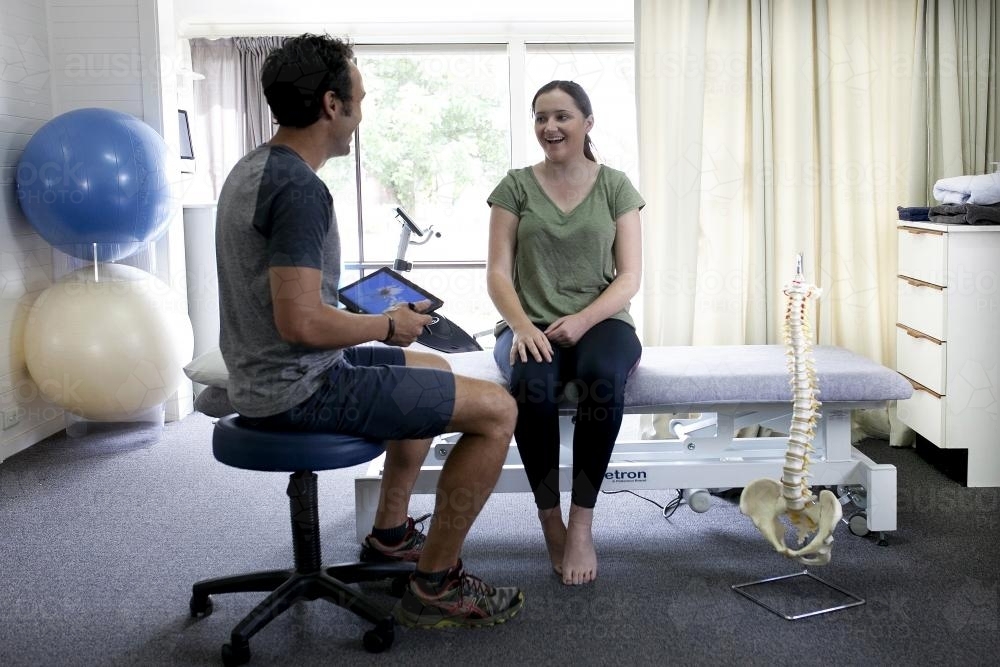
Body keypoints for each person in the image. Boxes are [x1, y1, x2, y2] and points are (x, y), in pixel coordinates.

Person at [214, 33, 523, 629]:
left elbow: (291, 300)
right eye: (360, 95)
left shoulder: (257, 166)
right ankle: (436, 582)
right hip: (299, 389)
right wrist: (386, 323)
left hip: (271, 376)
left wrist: (380, 324)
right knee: (498, 410)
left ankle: (389, 535)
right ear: (333, 104)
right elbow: (300, 322)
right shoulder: (300, 189)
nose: (363, 108)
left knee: (433, 369)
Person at [486, 80, 644, 586]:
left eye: (562, 117)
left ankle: (581, 521)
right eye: (540, 118)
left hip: (603, 322)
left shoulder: (616, 185)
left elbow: (630, 277)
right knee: (532, 385)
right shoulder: (514, 185)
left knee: (601, 375)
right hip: (528, 322)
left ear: (587, 123)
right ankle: (548, 517)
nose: (549, 127)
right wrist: (520, 325)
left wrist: (583, 319)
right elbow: (496, 271)